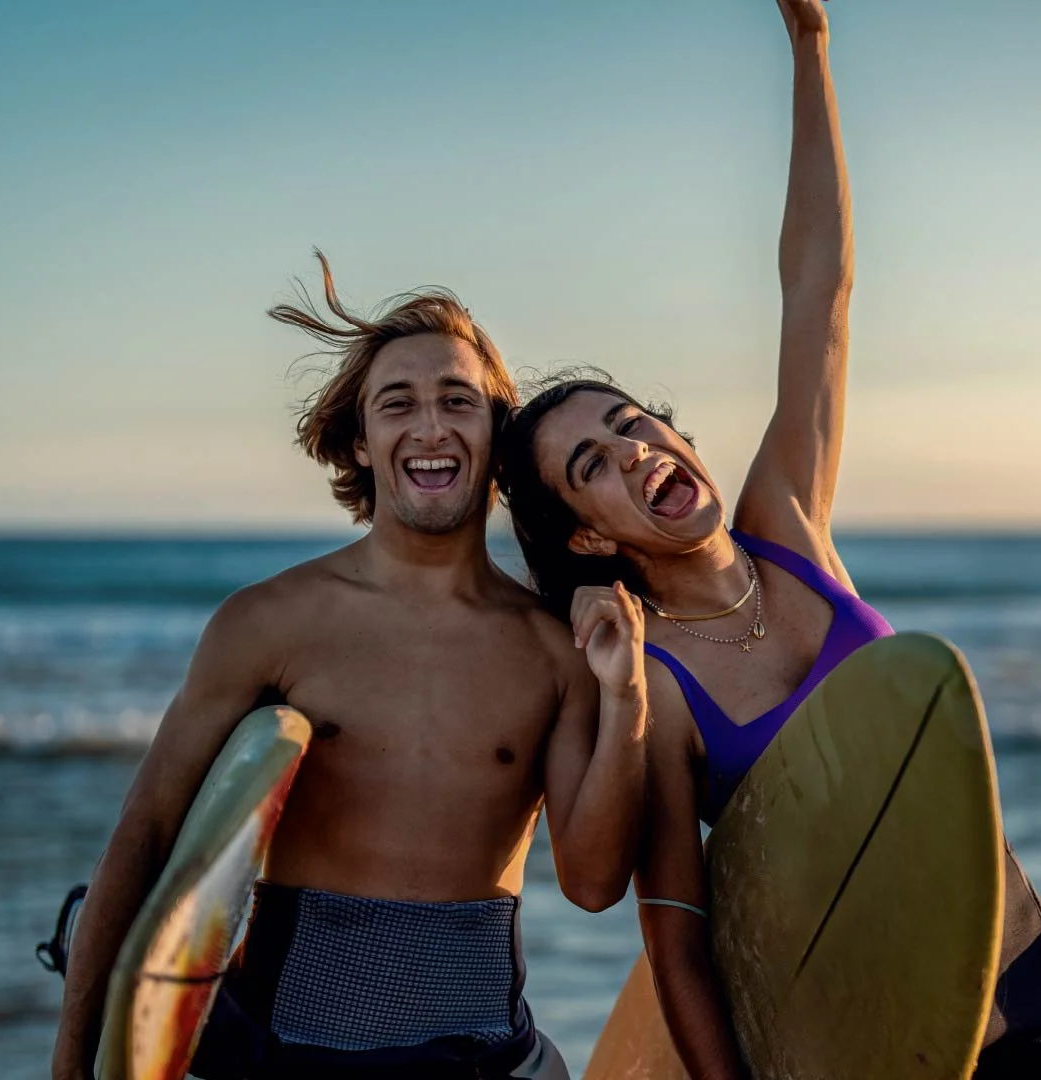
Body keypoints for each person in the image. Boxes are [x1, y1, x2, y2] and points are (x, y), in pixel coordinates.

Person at [496, 2, 1041, 1077]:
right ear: (588, 538)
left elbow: (819, 293)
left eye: (633, 424)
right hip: (885, 1036)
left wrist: (812, 47)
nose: (635, 453)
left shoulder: (786, 522)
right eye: (593, 466)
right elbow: (679, 944)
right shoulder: (654, 691)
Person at [49, 259, 650, 1080]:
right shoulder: (269, 623)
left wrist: (626, 698)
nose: (431, 428)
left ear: (494, 432)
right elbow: (146, 836)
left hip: (484, 1060)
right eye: (397, 404)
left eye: (458, 401)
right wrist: (72, 1060)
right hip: (285, 1058)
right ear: (361, 441)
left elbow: (594, 884)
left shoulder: (555, 651)